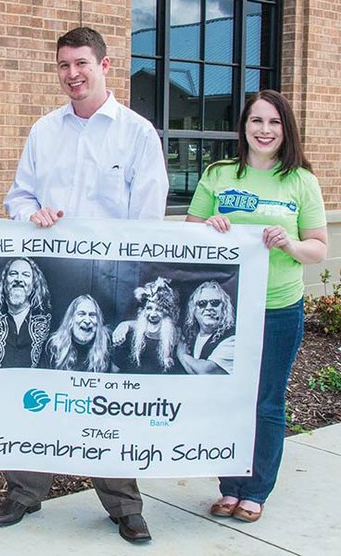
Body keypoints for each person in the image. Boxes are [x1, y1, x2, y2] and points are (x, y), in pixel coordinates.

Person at [0, 26, 168, 543]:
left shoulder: (137, 133)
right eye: (64, 65)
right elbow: (16, 197)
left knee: (104, 391)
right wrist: (33, 212)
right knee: (38, 383)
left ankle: (124, 505)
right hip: (50, 276)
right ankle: (24, 492)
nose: (72, 74)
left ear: (105, 65)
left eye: (81, 64)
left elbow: (149, 220)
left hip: (110, 282)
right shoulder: (44, 130)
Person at [186, 89, 327, 522]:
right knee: (229, 397)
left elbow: (319, 249)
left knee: (266, 401)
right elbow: (190, 234)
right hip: (225, 312)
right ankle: (229, 487)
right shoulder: (219, 174)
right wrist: (210, 226)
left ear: (286, 130)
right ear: (243, 126)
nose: (264, 130)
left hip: (278, 308)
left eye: (274, 123)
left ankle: (256, 490)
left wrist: (290, 242)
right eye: (256, 121)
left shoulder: (301, 181)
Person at [0, 257, 52, 369]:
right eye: (13, 273)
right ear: (4, 280)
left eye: (26, 275)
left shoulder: (47, 318)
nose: (19, 279)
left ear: (34, 283)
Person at [113, 277, 186, 375]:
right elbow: (114, 372)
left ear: (168, 314)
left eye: (159, 310)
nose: (152, 314)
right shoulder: (128, 337)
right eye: (149, 308)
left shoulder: (176, 341)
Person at [177, 281, 236, 375]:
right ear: (194, 310)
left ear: (224, 308)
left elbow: (206, 371)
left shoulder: (233, 338)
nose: (209, 308)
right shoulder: (190, 338)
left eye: (215, 303)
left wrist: (182, 355)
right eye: (202, 303)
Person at [44, 294, 112, 372]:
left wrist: (127, 325)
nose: (87, 321)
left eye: (92, 315)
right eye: (81, 314)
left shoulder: (107, 344)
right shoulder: (54, 346)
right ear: (71, 319)